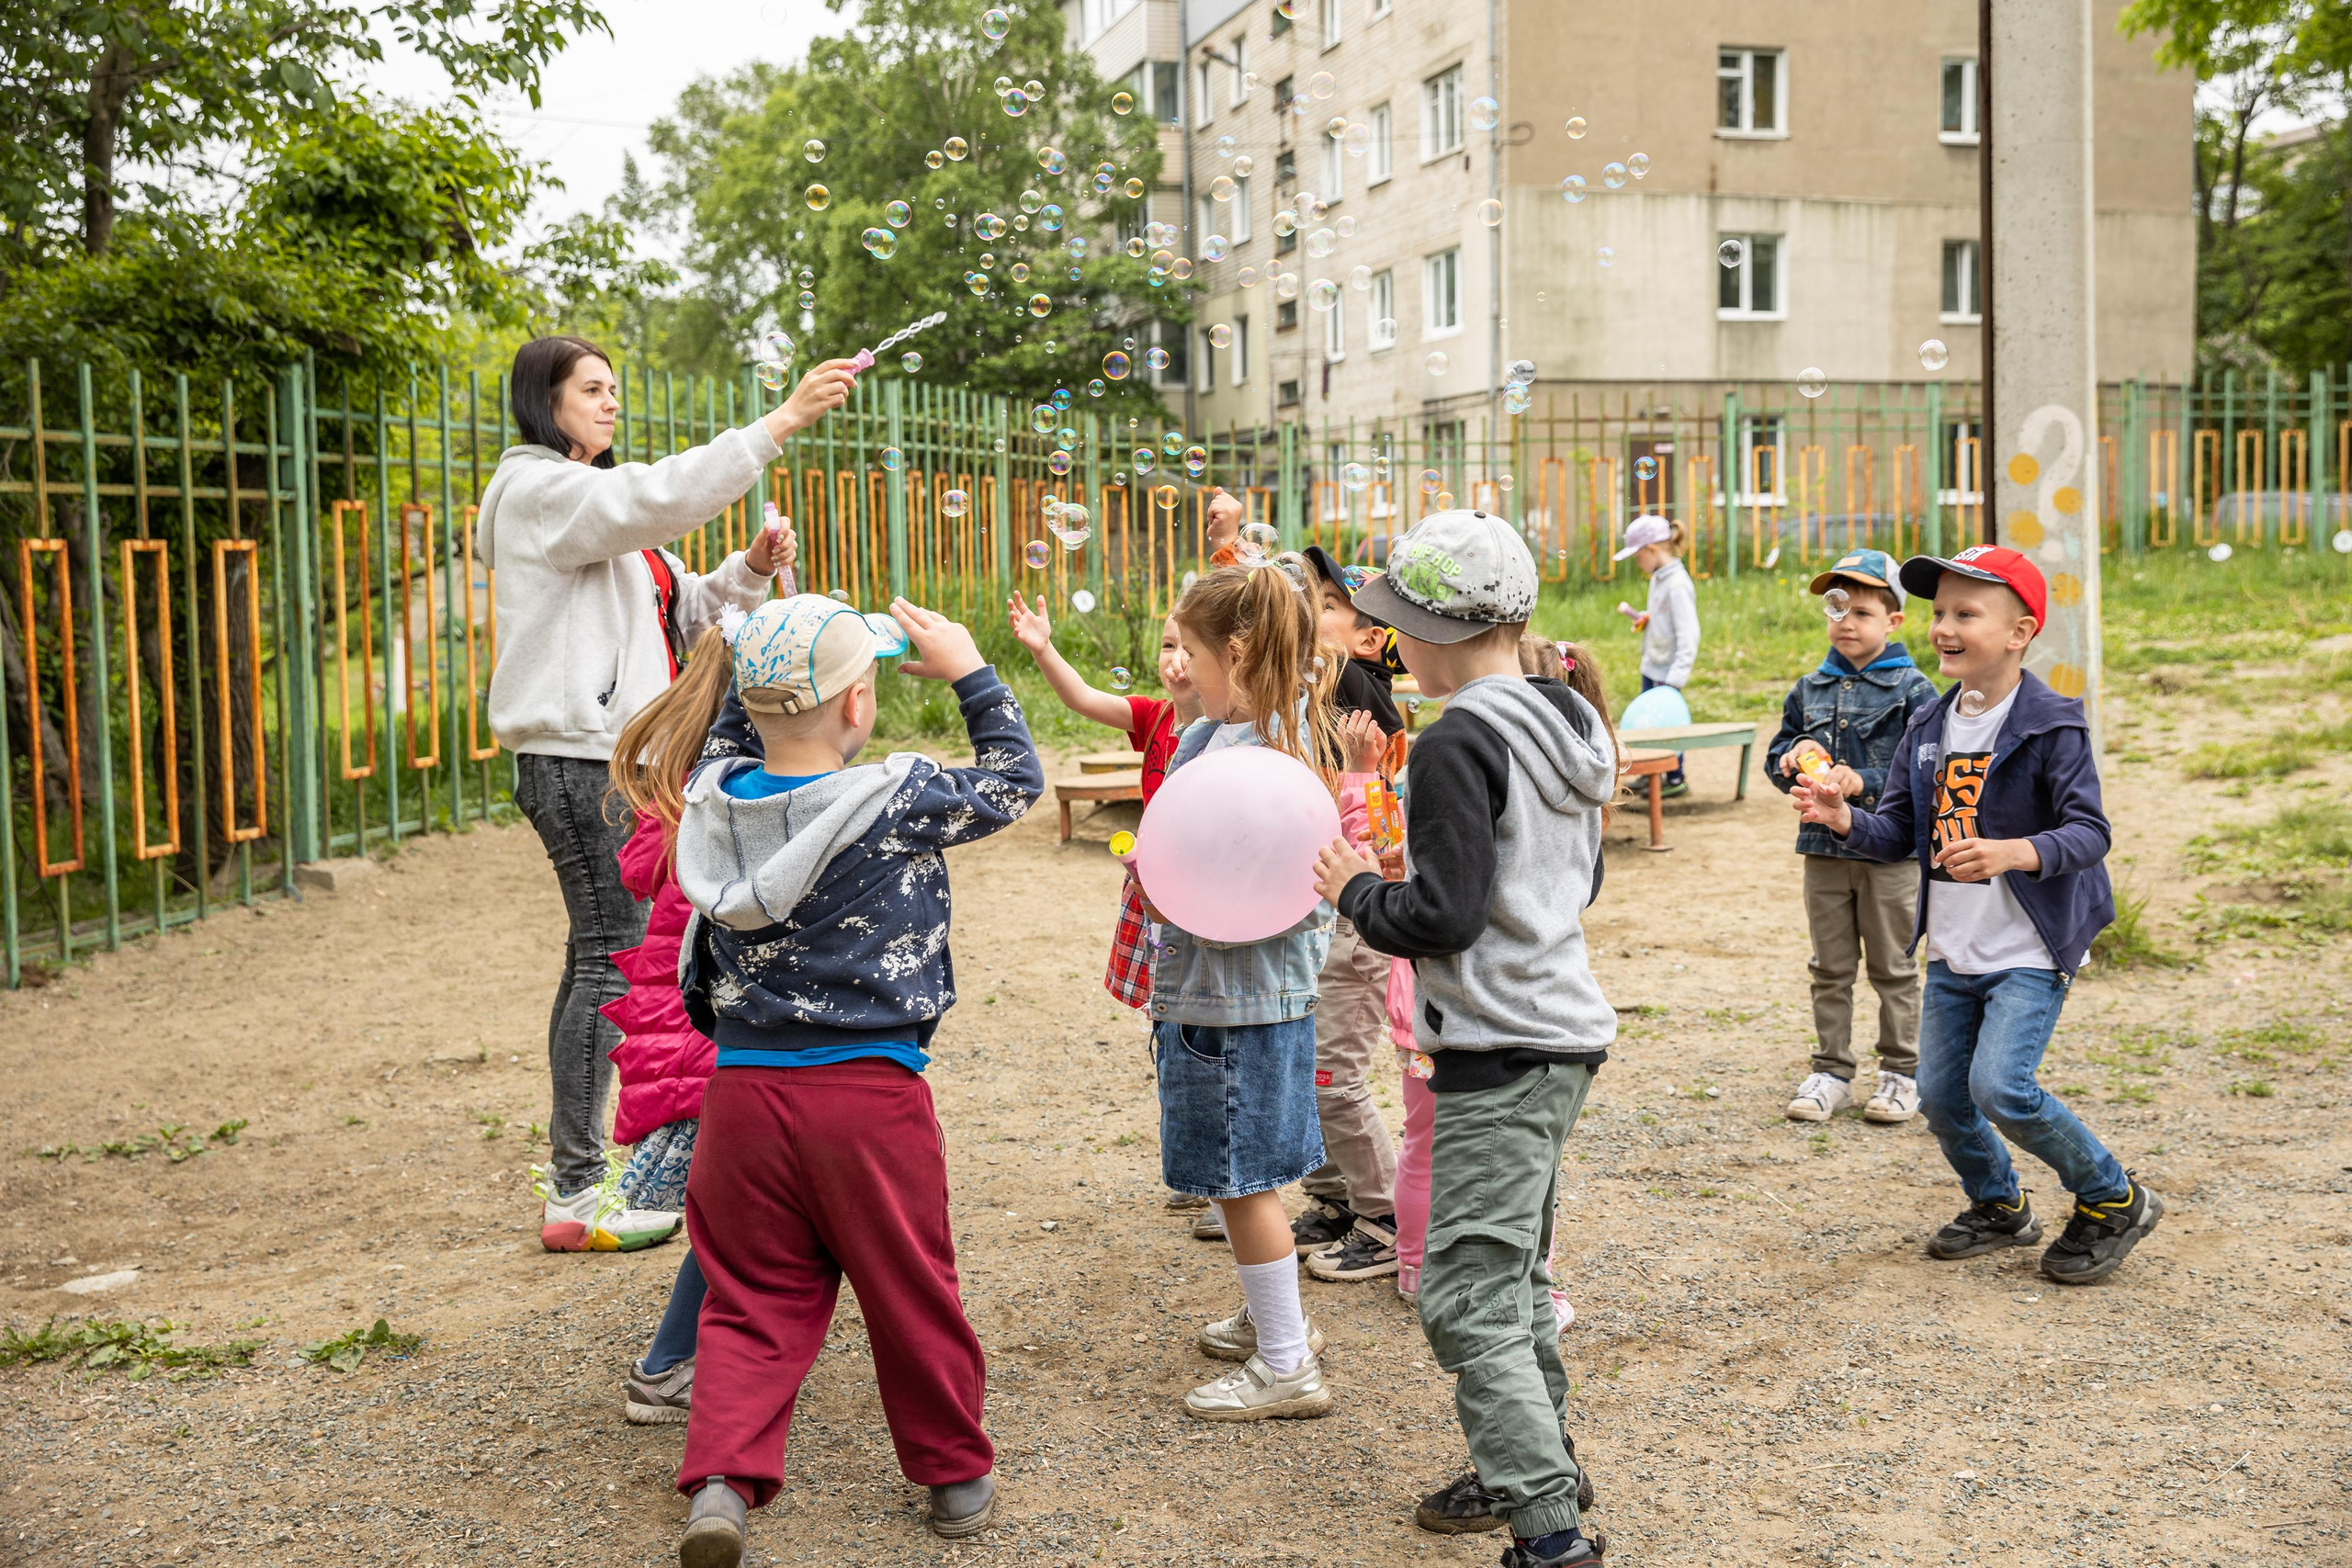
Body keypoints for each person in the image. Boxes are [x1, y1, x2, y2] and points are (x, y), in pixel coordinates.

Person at [612, 592, 1041, 1564]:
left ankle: (721, 1481)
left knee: (750, 1297)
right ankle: (954, 1478)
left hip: (743, 1099)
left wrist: (754, 634)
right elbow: (1017, 778)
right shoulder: (897, 797)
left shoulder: (714, 795)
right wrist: (972, 670)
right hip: (868, 1099)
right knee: (907, 1286)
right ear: (858, 705)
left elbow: (730, 726)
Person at [477, 333, 858, 1252]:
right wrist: (782, 422)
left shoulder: (590, 513)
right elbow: (650, 497)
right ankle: (575, 1193)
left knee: (599, 955)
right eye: (591, 390)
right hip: (578, 758)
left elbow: (688, 610)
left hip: (610, 757)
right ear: (545, 402)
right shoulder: (540, 492)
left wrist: (754, 570)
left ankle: (581, 1173)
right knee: (610, 957)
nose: (610, 404)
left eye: (615, 389)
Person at [1314, 511, 1615, 1568]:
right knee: (1514, 1273)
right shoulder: (1569, 718)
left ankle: (1547, 1533)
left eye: (1398, 627)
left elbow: (1439, 917)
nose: (1391, 650)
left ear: (1440, 631)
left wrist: (1355, 890)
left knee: (1463, 1290)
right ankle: (1534, 1464)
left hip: (1496, 1044)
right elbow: (1577, 881)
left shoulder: (1455, 740)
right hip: (1562, 1033)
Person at [1792, 546, 2162, 1287]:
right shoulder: (1929, 724)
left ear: (2020, 631)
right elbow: (1897, 831)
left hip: (2029, 943)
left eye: (1967, 613)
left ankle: (2112, 1196)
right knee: (1940, 1094)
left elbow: (2090, 832)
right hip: (1956, 948)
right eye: (1939, 613)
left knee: (2003, 1088)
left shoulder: (2052, 722)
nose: (1944, 627)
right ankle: (1999, 1204)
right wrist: (1841, 818)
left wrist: (2013, 851)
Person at [596, 537, 799, 1426]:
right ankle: (671, 1361)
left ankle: (707, 1349)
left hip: (703, 1042)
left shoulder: (696, 789)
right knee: (743, 1214)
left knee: (749, 1208)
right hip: (717, 1049)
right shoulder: (747, 802)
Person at [1136, 560, 1343, 1422]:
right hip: (1222, 995)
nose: (1180, 668)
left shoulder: (1270, 755)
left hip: (1238, 1000)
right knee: (1245, 1172)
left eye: (1193, 653)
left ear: (1243, 652)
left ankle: (1288, 1361)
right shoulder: (1227, 735)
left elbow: (1247, 886)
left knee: (1239, 1177)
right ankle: (1276, 1316)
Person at [1003, 597, 1221, 1234]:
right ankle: (1195, 1169)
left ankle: (1220, 1186)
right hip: (1156, 898)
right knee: (1170, 1032)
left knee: (1208, 1036)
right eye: (1166, 646)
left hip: (1205, 906)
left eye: (1188, 647)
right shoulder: (1153, 720)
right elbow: (1082, 699)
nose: (1175, 661)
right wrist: (1043, 647)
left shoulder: (1232, 728)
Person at [1764, 548, 1940, 1126]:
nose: (1845, 622)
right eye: (1835, 609)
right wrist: (1794, 756)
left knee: (1893, 966)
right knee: (1830, 967)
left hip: (1890, 853)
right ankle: (1832, 1071)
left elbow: (1929, 767)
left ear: (1894, 621)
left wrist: (1861, 779)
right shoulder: (1809, 688)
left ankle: (1902, 1073)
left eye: (1861, 612)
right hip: (1823, 852)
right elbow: (1777, 757)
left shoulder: (1915, 690)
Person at [1290, 547, 1409, 1284]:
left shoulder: (1359, 693)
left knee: (1334, 1070)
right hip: (1325, 909)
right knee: (1314, 1065)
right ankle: (1338, 1195)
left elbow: (1373, 824)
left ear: (1369, 637)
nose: (1313, 609)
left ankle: (1387, 1213)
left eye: (1329, 604)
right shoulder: (1325, 684)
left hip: (1355, 920)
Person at [1615, 513, 1698, 796]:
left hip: (1668, 673)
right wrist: (1647, 619)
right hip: (1652, 665)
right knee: (1649, 724)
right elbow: (1664, 617)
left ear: (1652, 550)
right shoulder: (1658, 579)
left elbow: (1689, 635)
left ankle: (1675, 778)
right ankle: (1652, 773)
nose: (1638, 563)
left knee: (1668, 725)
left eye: (1638, 556)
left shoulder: (1677, 585)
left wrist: (1675, 680)